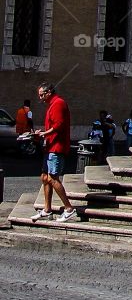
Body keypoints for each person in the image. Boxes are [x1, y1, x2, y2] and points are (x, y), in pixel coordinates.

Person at [30, 82, 77, 223]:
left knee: (52, 178)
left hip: (57, 147)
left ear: (49, 92)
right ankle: (47, 210)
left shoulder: (58, 103)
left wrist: (44, 133)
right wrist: (42, 134)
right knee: (45, 177)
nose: (41, 98)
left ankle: (69, 209)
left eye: (42, 95)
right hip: (50, 147)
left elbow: (58, 125)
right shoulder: (53, 104)